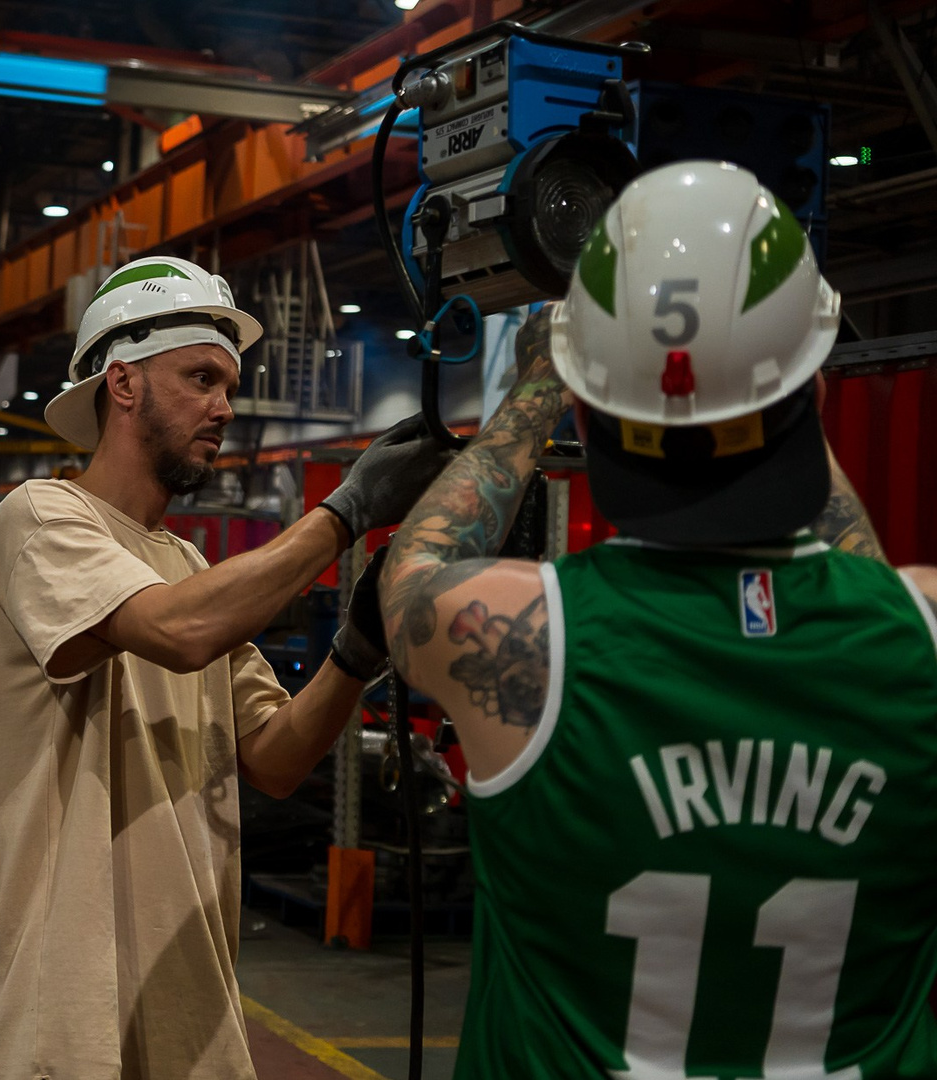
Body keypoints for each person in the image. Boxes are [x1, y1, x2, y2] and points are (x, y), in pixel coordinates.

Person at [378, 161, 937, 1078]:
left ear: (585, 407)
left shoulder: (526, 639)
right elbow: (869, 589)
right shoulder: (920, 636)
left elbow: (410, 575)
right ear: (814, 395)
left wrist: (534, 386)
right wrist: (764, 376)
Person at [0, 255, 450, 1079]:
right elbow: (177, 631)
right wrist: (345, 514)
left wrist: (358, 646)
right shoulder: (41, 518)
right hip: (71, 1021)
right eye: (201, 379)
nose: (225, 408)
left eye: (228, 384)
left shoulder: (188, 566)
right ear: (124, 383)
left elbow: (274, 756)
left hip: (190, 1016)